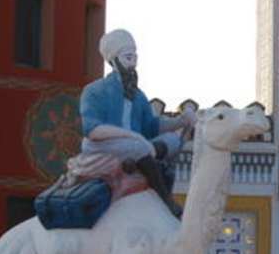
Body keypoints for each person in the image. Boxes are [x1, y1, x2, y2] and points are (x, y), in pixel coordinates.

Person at [71, 29, 192, 215]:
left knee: (173, 140)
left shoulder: (138, 95)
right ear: (114, 60)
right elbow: (92, 130)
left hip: (135, 144)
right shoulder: (94, 91)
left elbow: (151, 127)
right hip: (101, 144)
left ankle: (138, 162)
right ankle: (166, 200)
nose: (133, 62)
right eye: (128, 57)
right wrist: (133, 137)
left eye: (135, 57)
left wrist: (181, 121)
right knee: (138, 147)